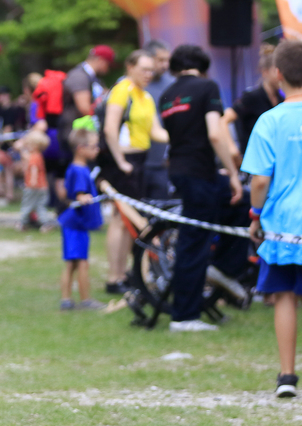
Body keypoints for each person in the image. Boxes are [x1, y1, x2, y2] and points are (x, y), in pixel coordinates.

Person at [242, 39, 302, 397]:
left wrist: (255, 216)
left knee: (282, 294)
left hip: (281, 224)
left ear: (277, 74)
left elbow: (259, 181)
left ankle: (286, 378)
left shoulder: (270, 120)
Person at [159, 45, 244, 332]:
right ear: (203, 66)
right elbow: (215, 133)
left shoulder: (167, 95)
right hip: (199, 172)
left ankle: (222, 268)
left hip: (181, 170)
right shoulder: (208, 87)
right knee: (194, 242)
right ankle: (184, 317)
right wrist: (232, 172)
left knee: (240, 204)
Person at [99, 49, 169, 294]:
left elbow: (156, 131)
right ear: (130, 67)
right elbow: (110, 129)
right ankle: (114, 277)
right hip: (123, 161)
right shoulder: (122, 90)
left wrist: (185, 135)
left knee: (129, 219)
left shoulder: (145, 96)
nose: (149, 74)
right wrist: (120, 162)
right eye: (144, 69)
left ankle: (126, 274)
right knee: (120, 218)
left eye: (151, 70)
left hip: (140, 160)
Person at [55, 46, 114, 201]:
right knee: (76, 174)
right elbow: (84, 107)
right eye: (108, 64)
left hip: (84, 135)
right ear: (101, 60)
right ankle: (69, 207)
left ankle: (85, 204)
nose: (108, 69)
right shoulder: (79, 76)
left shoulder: (92, 78)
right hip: (75, 136)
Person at [59, 129, 106, 311]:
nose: (97, 150)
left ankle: (67, 299)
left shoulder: (80, 168)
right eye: (93, 146)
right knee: (81, 263)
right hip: (75, 225)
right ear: (80, 148)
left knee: (72, 263)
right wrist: (82, 197)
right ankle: (85, 300)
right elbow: (78, 193)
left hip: (76, 224)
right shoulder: (79, 170)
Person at [223, 44, 284, 165]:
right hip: (253, 161)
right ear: (265, 72)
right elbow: (224, 119)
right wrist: (231, 148)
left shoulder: (281, 99)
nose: (280, 76)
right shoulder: (252, 97)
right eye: (276, 71)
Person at [143, 39, 175, 199]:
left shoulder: (172, 84)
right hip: (137, 160)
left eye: (167, 60)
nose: (165, 65)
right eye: (161, 60)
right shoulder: (132, 86)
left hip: (162, 162)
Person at [0, 86, 27, 202]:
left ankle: (0, 191)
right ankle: (9, 194)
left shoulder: (13, 110)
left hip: (8, 145)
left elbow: (8, 129)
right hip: (8, 144)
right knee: (8, 169)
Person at [16, 130, 54, 230]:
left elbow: (34, 169)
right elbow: (26, 158)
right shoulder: (38, 156)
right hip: (42, 186)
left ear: (35, 145)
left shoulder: (34, 157)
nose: (27, 146)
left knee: (28, 204)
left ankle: (23, 222)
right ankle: (45, 223)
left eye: (29, 144)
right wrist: (21, 149)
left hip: (33, 186)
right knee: (40, 206)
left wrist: (33, 181)